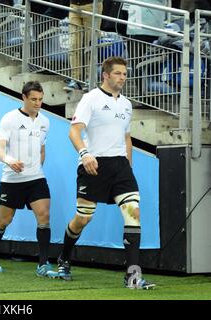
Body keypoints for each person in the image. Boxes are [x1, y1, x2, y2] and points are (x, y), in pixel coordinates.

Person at [55, 56, 155, 289]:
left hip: (120, 167)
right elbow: (74, 132)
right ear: (106, 75)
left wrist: (128, 165)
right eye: (118, 73)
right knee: (83, 218)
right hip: (94, 165)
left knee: (134, 213)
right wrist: (85, 154)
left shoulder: (127, 104)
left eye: (125, 73)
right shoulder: (90, 99)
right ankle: (64, 257)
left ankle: (132, 276)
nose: (123, 77)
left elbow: (126, 137)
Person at [0, 81, 57, 277]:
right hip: (12, 180)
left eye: (41, 99)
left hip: (36, 179)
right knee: (4, 220)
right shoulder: (9, 119)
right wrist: (9, 160)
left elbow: (42, 148)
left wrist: (37, 165)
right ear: (23, 97)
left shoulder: (45, 122)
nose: (37, 103)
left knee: (44, 217)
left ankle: (43, 264)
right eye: (33, 99)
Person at [64, 0, 103, 91]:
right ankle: (75, 79)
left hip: (91, 5)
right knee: (74, 44)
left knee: (90, 43)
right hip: (74, 6)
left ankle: (90, 79)